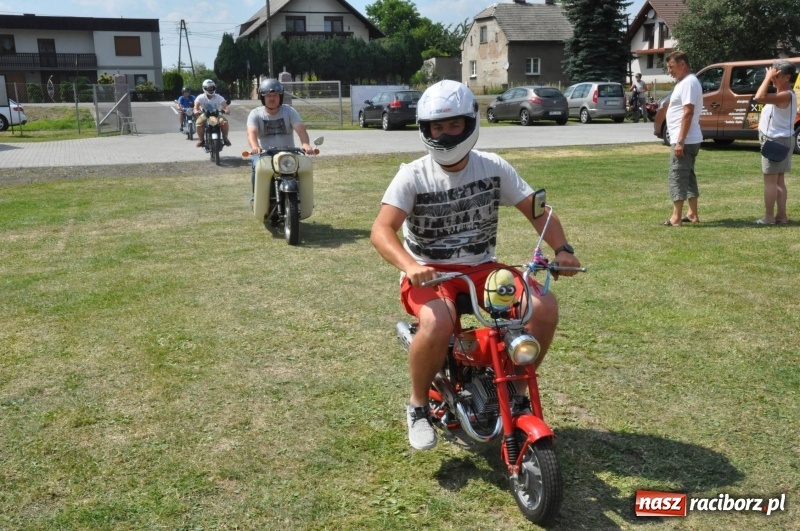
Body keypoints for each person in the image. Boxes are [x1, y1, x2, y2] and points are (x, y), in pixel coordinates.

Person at [370, 80, 582, 450]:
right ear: (426, 129)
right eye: (438, 126)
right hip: (430, 271)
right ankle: (418, 405)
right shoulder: (413, 174)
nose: (446, 133)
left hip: (484, 269)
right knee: (438, 321)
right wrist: (410, 264)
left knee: (544, 306)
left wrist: (562, 248)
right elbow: (381, 229)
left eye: (454, 125)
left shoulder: (493, 167)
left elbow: (537, 210)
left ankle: (515, 388)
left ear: (470, 123)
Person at [246, 79, 313, 201]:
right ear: (263, 98)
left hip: (289, 153)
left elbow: (300, 129)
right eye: (268, 96)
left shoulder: (289, 111)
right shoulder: (255, 114)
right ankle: (256, 197)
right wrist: (255, 147)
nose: (272, 99)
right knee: (256, 167)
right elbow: (251, 133)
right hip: (264, 154)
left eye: (275, 95)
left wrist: (305, 144)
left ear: (280, 97)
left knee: (303, 168)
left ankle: (304, 199)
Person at [662, 51, 703, 226]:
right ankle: (692, 213)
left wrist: (680, 141)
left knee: (677, 175)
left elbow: (688, 112)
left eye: (671, 67)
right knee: (688, 176)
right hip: (688, 139)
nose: (669, 71)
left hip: (685, 140)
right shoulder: (685, 82)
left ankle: (676, 217)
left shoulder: (688, 83)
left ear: (682, 64)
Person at [753, 61, 797, 224]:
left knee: (771, 181)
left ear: (787, 77)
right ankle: (781, 216)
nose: (772, 79)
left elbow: (759, 97)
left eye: (776, 76)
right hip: (782, 139)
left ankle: (769, 217)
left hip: (776, 141)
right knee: (779, 181)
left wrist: (766, 77)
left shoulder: (785, 94)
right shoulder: (785, 94)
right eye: (772, 75)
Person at [193, 79, 231, 148]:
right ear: (204, 88)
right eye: (208, 88)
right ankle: (201, 140)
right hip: (205, 115)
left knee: (224, 122)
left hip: (217, 115)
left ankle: (225, 138)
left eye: (212, 88)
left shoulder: (218, 97)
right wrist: (196, 111)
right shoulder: (200, 97)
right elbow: (196, 107)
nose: (210, 89)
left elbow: (225, 106)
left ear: (214, 88)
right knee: (198, 124)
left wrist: (226, 110)